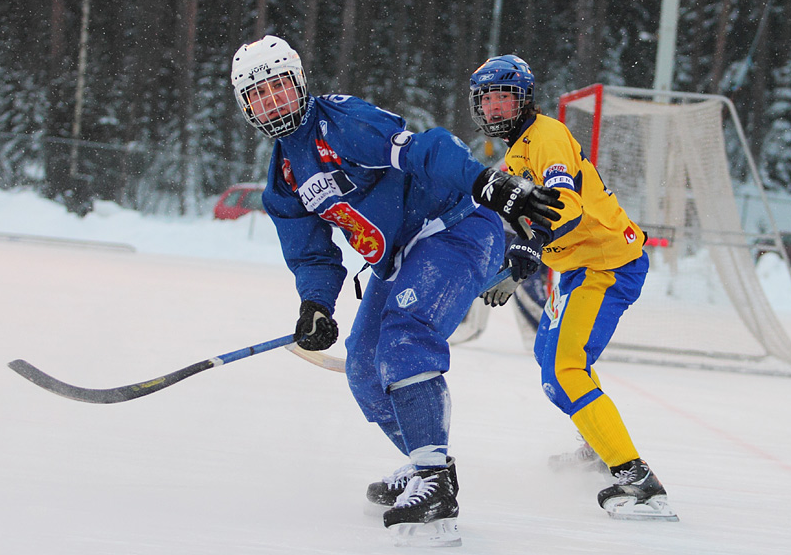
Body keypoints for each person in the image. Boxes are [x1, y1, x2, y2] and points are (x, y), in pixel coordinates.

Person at [230, 36, 563, 545]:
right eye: (259, 96)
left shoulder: (339, 121)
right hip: (395, 260)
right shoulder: (284, 177)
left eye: (278, 87)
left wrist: (487, 183)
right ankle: (423, 460)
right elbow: (313, 254)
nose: (272, 102)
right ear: (246, 107)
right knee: (364, 366)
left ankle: (435, 482)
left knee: (405, 336)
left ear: (298, 84)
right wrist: (316, 305)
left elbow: (428, 149)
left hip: (454, 228)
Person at [469, 54, 678, 521]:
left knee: (565, 370)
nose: (495, 108)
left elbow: (565, 204)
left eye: (504, 97)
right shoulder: (515, 152)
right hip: (578, 270)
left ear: (524, 99)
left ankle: (637, 481)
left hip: (607, 267)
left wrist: (531, 248)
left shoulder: (545, 138)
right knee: (552, 366)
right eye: (487, 99)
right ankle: (598, 446)